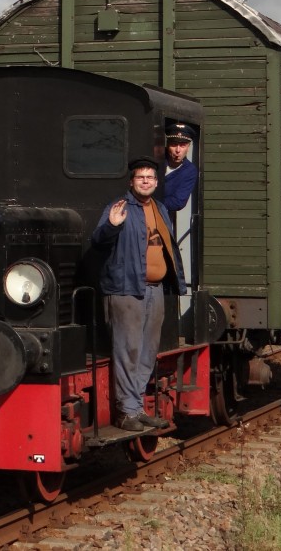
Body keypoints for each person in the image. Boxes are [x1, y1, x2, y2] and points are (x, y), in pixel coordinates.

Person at [92, 157, 188, 433]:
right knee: (128, 350)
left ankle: (136, 407)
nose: (145, 181)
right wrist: (111, 225)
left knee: (147, 351)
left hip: (154, 290)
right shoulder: (119, 207)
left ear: (156, 183)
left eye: (150, 178)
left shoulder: (158, 207)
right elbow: (98, 241)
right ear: (131, 181)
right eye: (140, 177)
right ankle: (126, 411)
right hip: (125, 290)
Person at [160, 123, 199, 216]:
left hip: (162, 216)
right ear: (167, 145)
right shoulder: (156, 158)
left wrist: (149, 202)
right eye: (174, 145)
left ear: (188, 147)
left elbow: (178, 202)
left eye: (182, 145)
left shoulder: (190, 171)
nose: (178, 150)